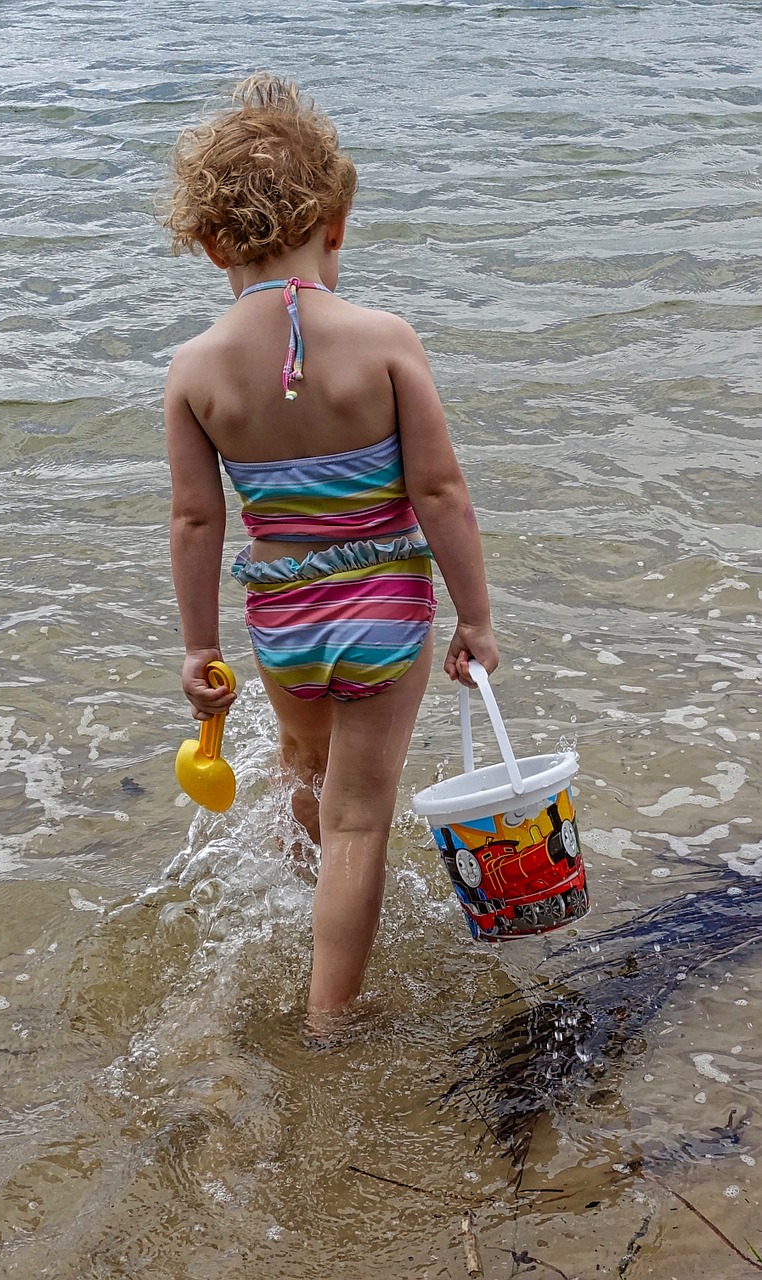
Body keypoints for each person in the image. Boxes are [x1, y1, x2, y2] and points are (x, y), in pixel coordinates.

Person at [162, 74, 499, 1017]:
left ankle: (282, 913)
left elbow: (196, 519)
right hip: (384, 611)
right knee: (360, 823)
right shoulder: (386, 341)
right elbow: (439, 489)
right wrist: (475, 616)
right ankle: (327, 1023)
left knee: (299, 772)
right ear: (337, 222)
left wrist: (199, 648)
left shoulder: (195, 369)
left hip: (282, 620)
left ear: (210, 241)